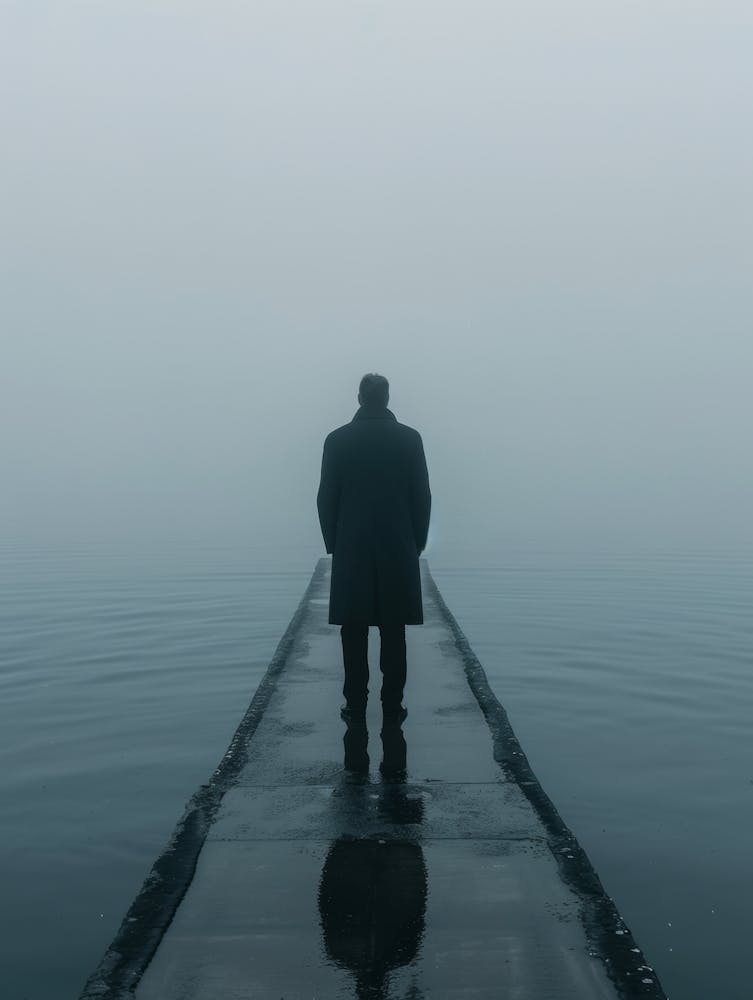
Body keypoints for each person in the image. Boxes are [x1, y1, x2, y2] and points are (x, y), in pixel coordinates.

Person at [317, 373, 431, 724]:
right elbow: (422, 497)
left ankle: (355, 704)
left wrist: (334, 544)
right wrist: (417, 542)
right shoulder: (410, 439)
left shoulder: (337, 440)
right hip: (398, 545)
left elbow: (325, 499)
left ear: (359, 398)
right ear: (387, 397)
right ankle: (392, 704)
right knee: (393, 629)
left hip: (352, 547)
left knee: (353, 630)